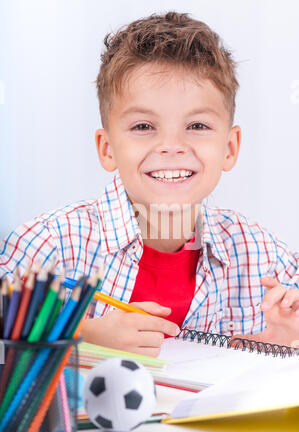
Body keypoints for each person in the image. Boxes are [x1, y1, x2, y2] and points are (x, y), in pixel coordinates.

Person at [1, 12, 298, 355]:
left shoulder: (258, 252)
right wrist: (84, 333)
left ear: (229, 148)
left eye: (197, 126)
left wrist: (280, 341)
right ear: (107, 148)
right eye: (144, 126)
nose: (171, 146)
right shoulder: (52, 245)